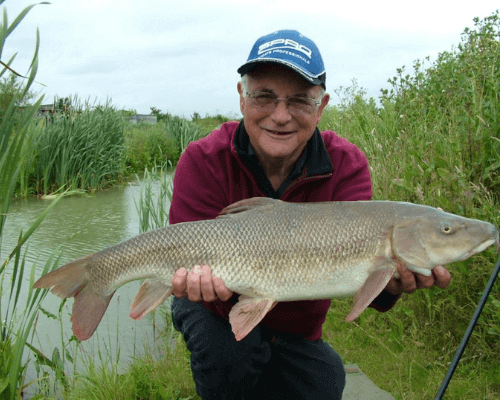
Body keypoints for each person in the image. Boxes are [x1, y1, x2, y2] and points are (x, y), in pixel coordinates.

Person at [169, 30, 451, 400]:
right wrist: (209, 290)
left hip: (296, 326)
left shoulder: (346, 164)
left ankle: (272, 357)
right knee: (229, 355)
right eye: (264, 97)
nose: (280, 115)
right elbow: (191, 272)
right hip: (212, 306)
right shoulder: (203, 159)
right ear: (242, 98)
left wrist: (392, 285)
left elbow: (364, 283)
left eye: (300, 100)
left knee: (327, 382)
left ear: (321, 106)